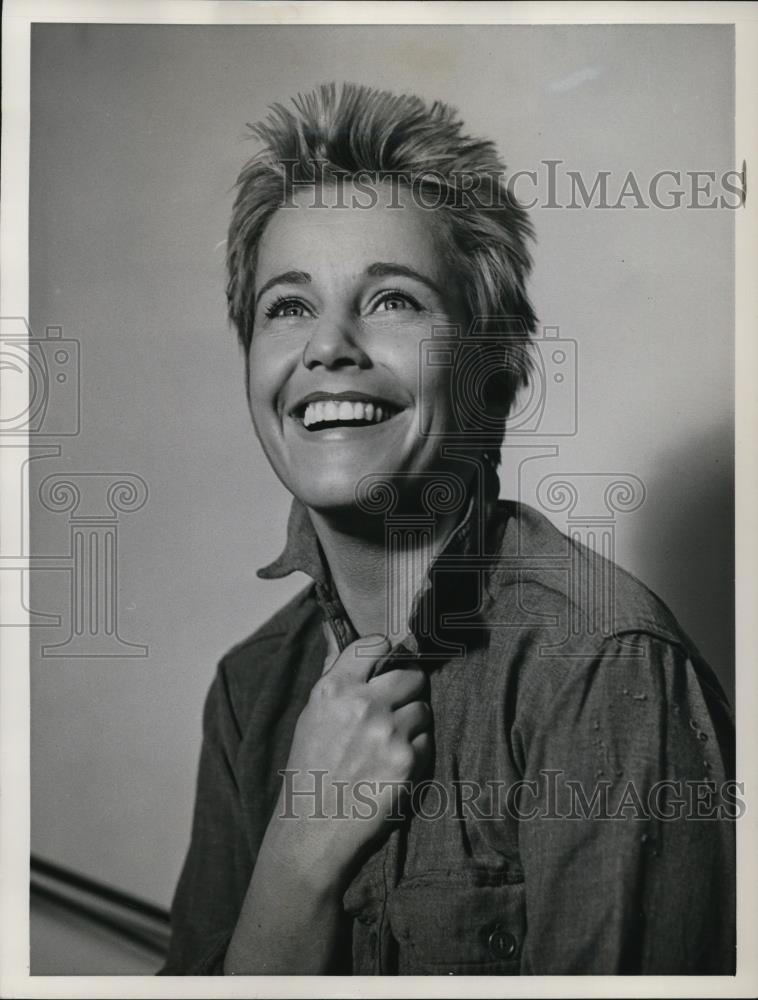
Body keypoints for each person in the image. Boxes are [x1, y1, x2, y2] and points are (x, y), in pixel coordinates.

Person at [160, 83, 735, 976]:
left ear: (494, 378)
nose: (329, 347)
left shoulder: (600, 667)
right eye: (287, 306)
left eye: (392, 300)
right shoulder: (249, 691)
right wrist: (297, 857)